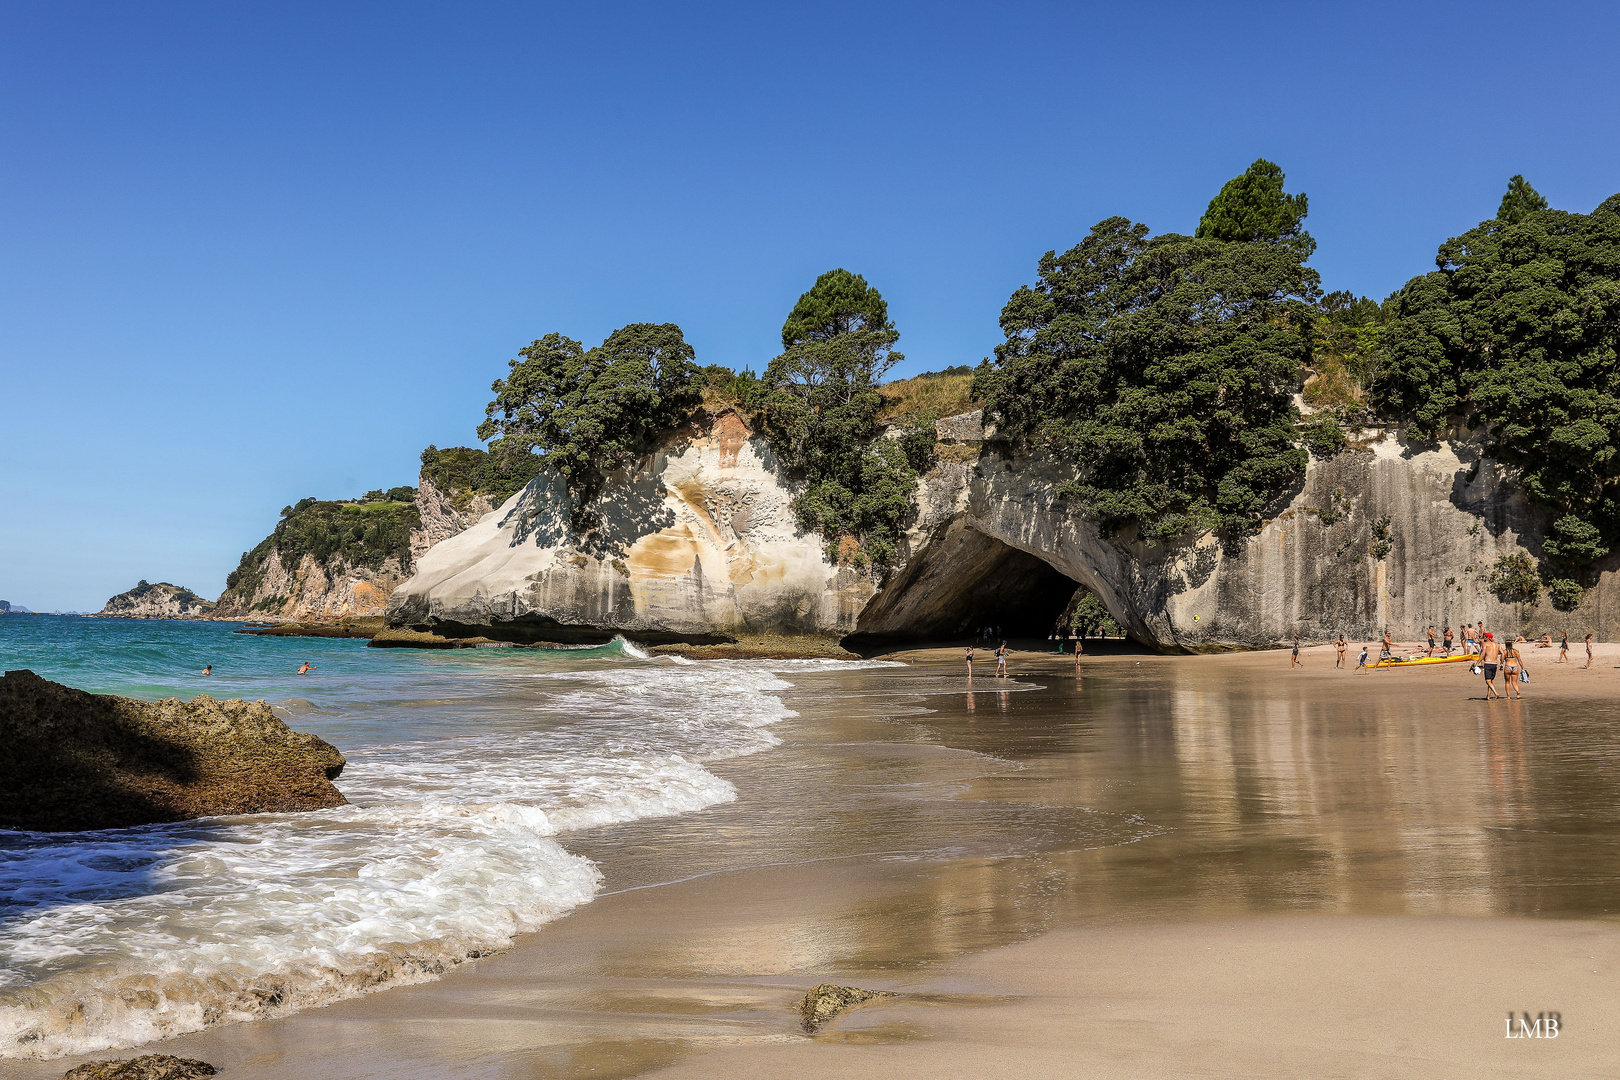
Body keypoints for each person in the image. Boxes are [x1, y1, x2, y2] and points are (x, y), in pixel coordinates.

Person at [1481, 633, 1501, 699]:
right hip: (1495, 664)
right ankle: (1488, 696)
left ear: (1488, 637)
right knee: (1490, 681)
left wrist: (1477, 663)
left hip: (1488, 663)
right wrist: (1501, 663)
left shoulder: (1485, 644)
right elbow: (1503, 653)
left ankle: (1496, 693)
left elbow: (1483, 654)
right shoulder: (1497, 645)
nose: (1484, 638)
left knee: (1487, 681)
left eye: (1485, 637)